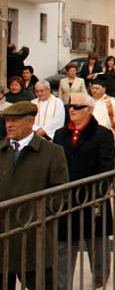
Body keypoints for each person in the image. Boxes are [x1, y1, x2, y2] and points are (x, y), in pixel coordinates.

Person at [0, 101, 69, 289]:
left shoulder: (52, 152)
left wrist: (35, 216)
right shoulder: (2, 151)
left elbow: (59, 195)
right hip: (2, 238)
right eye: (7, 120)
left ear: (30, 123)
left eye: (15, 120)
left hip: (33, 241)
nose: (9, 125)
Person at [53, 93, 115, 289]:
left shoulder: (102, 135)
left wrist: (98, 195)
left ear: (89, 109)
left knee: (96, 242)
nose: (72, 110)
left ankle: (99, 275)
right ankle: (64, 284)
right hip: (66, 199)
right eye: (70, 106)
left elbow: (106, 168)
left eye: (77, 107)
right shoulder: (60, 135)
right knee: (64, 245)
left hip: (91, 199)